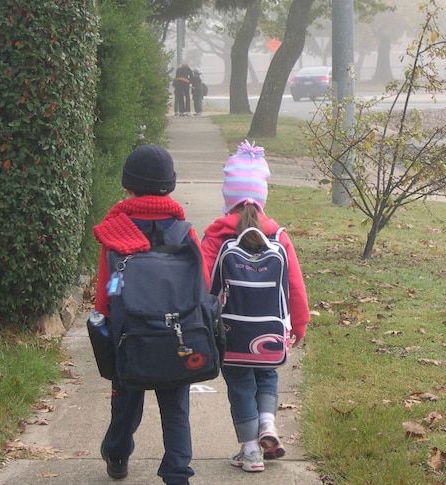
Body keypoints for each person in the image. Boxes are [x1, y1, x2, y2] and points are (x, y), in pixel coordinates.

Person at [93, 144, 203, 485]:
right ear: (169, 187)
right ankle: (177, 472)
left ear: (128, 186)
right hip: (178, 334)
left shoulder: (115, 232)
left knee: (126, 402)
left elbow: (108, 287)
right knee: (176, 408)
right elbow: (201, 285)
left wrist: (107, 315)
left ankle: (117, 453)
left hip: (131, 333)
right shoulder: (185, 232)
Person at [201, 142, 310, 473]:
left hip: (231, 333)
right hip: (270, 330)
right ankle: (268, 425)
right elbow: (294, 283)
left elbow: (202, 281)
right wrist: (300, 323)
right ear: (261, 196)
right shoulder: (276, 233)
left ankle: (250, 452)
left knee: (240, 386)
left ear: (228, 196)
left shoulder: (217, 234)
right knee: (267, 376)